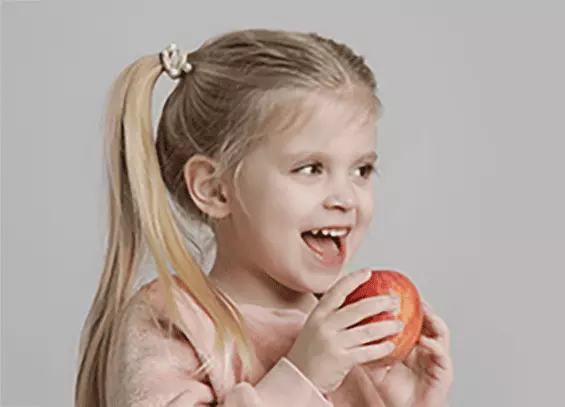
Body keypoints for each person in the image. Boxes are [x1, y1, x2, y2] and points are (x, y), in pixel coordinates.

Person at [75, 29, 453, 407]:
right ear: (215, 189)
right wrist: (302, 378)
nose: (346, 199)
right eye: (310, 168)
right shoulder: (171, 323)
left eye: (362, 170)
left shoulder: (349, 328)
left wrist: (410, 404)